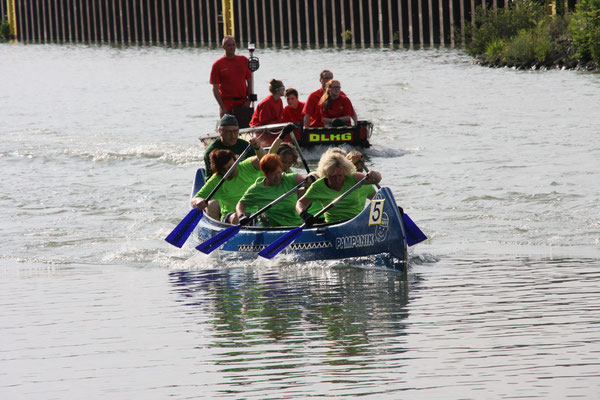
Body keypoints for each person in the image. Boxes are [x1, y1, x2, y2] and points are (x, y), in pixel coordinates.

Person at [191, 137, 265, 224]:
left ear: (235, 160)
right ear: (219, 171)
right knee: (236, 218)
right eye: (224, 169)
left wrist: (257, 147)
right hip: (231, 218)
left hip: (257, 213)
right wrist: (198, 201)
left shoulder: (247, 165)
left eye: (230, 167)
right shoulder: (217, 179)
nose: (228, 171)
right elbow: (194, 200)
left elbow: (263, 159)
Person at [296, 152, 381, 225]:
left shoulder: (353, 177)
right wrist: (304, 214)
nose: (337, 180)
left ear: (344, 172)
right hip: (333, 225)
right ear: (326, 174)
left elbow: (377, 179)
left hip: (355, 222)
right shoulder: (318, 186)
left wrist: (375, 175)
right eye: (333, 176)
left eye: (340, 175)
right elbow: (300, 203)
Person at [236, 154, 315, 227]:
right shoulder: (256, 189)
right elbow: (240, 205)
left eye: (279, 172)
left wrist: (312, 177)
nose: (277, 177)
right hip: (271, 229)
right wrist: (241, 216)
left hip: (296, 226)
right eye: (273, 174)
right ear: (265, 174)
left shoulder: (288, 179)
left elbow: (308, 176)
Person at [210, 36, 252, 118]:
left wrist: (249, 100)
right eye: (228, 45)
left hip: (243, 102)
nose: (231, 47)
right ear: (223, 47)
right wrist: (223, 107)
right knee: (227, 128)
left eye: (233, 45)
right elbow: (215, 89)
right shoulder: (217, 64)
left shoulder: (243, 60)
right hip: (227, 103)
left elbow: (250, 82)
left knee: (245, 128)